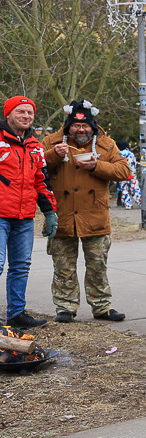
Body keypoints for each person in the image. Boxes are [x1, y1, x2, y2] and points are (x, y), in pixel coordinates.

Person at [42, 100, 131, 323]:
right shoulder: (50, 142)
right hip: (62, 213)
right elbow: (36, 167)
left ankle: (102, 307)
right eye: (76, 126)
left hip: (95, 214)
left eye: (85, 126)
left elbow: (124, 171)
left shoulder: (107, 144)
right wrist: (53, 155)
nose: (81, 130)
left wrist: (96, 166)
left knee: (97, 265)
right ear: (68, 125)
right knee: (63, 266)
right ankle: (65, 307)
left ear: (93, 125)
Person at [0, 96, 57, 329]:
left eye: (30, 113)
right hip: (1, 214)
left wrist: (50, 212)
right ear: (8, 114)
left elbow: (41, 181)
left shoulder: (35, 145)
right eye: (21, 112)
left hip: (24, 217)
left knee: (21, 265)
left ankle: (16, 314)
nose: (26, 116)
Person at [115, 140, 142, 209]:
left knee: (124, 189)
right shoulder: (131, 154)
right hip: (132, 174)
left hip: (123, 174)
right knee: (135, 188)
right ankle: (140, 202)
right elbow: (135, 163)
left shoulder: (119, 153)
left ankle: (128, 204)